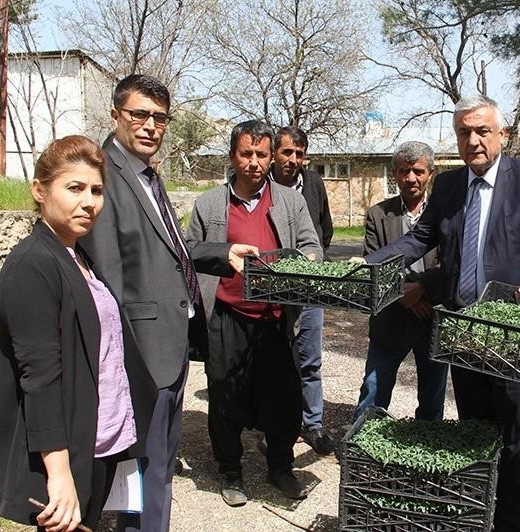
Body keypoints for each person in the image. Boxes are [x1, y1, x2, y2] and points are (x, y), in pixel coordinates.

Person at [364, 94, 520, 531]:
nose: (473, 140)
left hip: (515, 338)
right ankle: (478, 516)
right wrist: (372, 263)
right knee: (475, 433)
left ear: (502, 134)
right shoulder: (451, 186)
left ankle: (515, 526)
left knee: (518, 443)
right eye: (464, 133)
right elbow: (419, 238)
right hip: (464, 333)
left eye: (482, 131)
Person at [0, 135, 157, 531]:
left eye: (97, 190)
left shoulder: (77, 254)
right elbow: (40, 378)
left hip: (100, 439)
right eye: (75, 188)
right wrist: (59, 472)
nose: (89, 202)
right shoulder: (33, 264)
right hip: (67, 451)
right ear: (39, 190)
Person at [80, 74, 222, 532]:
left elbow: (172, 247)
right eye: (139, 114)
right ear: (116, 115)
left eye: (159, 118)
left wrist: (224, 254)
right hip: (140, 353)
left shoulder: (144, 173)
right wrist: (123, 364)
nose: (150, 126)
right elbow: (109, 280)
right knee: (142, 470)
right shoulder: (103, 175)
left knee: (155, 465)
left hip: (170, 346)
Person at [186, 120, 322, 506]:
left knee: (283, 400)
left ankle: (280, 468)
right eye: (246, 154)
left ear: (270, 157)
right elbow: (190, 249)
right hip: (227, 315)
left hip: (276, 319)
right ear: (233, 156)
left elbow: (313, 246)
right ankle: (230, 470)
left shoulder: (290, 201)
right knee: (226, 397)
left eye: (261, 154)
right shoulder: (209, 203)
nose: (254, 162)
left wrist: (305, 260)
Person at [353, 141, 448, 421]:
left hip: (433, 318)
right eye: (404, 171)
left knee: (432, 397)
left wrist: (420, 290)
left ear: (430, 173)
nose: (411, 178)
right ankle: (361, 449)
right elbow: (373, 261)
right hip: (390, 318)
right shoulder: (378, 214)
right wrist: (403, 297)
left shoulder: (446, 213)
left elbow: (451, 264)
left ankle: (424, 453)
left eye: (418, 171)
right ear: (394, 173)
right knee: (373, 390)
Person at [271, 126, 335, 455]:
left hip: (310, 290)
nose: (293, 160)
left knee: (310, 359)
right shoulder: (264, 186)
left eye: (299, 153)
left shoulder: (313, 183)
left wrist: (309, 265)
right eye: (287, 152)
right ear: (273, 153)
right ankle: (273, 425)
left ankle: (313, 424)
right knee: (275, 360)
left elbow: (325, 229)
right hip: (273, 291)